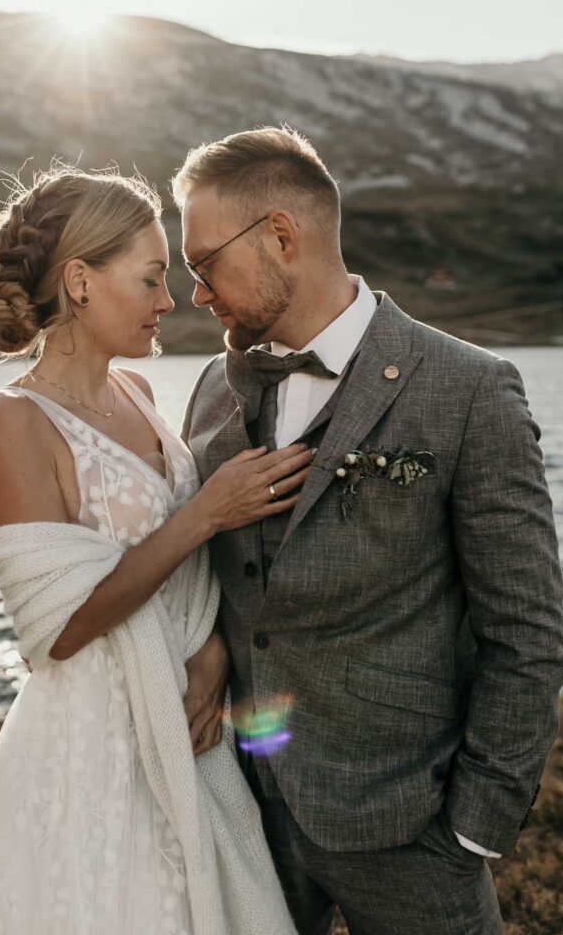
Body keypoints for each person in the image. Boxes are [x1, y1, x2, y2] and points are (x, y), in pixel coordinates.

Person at [174, 125, 563, 935]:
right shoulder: (214, 386)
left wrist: (474, 824)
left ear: (281, 235)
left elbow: (527, 626)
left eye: (205, 262)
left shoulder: (468, 390)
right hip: (244, 811)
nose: (198, 295)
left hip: (408, 825)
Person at [0, 165, 306, 935]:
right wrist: (205, 515)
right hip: (90, 741)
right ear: (82, 282)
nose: (170, 302)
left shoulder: (138, 397)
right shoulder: (13, 424)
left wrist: (214, 657)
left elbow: (185, 583)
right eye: (152, 279)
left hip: (185, 718)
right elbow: (56, 630)